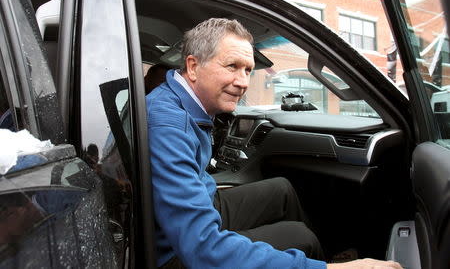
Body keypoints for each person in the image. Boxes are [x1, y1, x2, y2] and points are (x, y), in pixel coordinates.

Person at [146, 18, 402, 269]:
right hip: (175, 253)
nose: (244, 82)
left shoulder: (179, 101)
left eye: (248, 69)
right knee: (301, 238)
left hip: (201, 204)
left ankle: (322, 256)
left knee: (282, 189)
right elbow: (204, 250)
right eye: (232, 66)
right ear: (192, 66)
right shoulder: (169, 125)